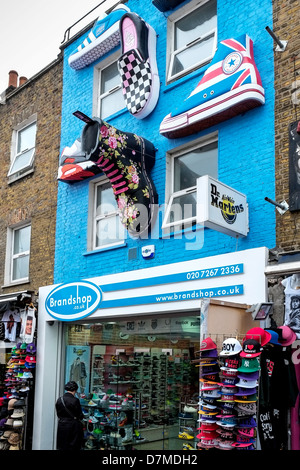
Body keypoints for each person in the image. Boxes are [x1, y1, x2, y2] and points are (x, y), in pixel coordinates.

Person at [55, 381, 84, 451]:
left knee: (62, 445)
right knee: (73, 446)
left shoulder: (60, 399)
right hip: (73, 426)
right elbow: (79, 415)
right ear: (75, 390)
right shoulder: (75, 400)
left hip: (62, 424)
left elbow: (58, 413)